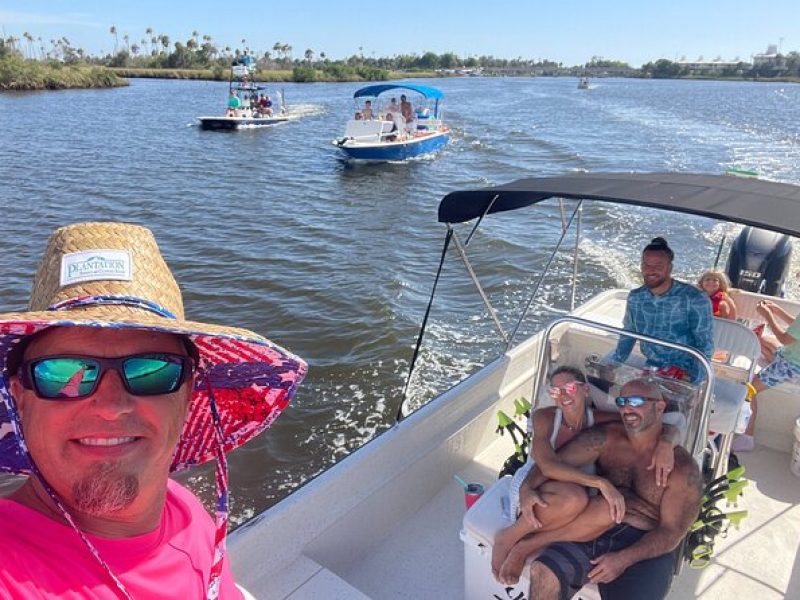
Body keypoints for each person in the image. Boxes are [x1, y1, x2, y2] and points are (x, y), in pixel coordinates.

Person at [0, 222, 308, 598]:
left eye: (152, 371)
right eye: (64, 372)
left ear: (188, 395)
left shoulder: (184, 509)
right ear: (19, 397)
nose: (111, 407)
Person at [510, 378, 703, 600]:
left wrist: (624, 558)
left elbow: (672, 532)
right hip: (592, 526)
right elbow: (554, 464)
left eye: (637, 401)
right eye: (622, 401)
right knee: (543, 572)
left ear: (659, 407)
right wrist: (527, 488)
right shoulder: (607, 437)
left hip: (646, 544)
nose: (627, 408)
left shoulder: (683, 469)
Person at [607, 237, 714, 384]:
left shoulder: (695, 299)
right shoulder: (635, 297)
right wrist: (614, 364)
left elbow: (705, 345)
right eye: (646, 264)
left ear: (670, 268)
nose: (651, 270)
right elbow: (628, 334)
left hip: (686, 371)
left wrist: (695, 382)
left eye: (658, 265)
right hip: (652, 368)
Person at [734, 297, 800, 451]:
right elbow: (796, 327)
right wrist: (778, 311)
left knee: (748, 388)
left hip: (791, 365)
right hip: (790, 355)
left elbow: (784, 339)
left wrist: (767, 315)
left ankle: (747, 437)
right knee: (760, 339)